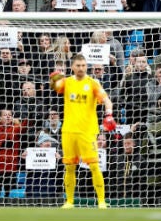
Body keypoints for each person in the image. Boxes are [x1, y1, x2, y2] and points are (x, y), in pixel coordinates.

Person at [49, 53, 115, 209]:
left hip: (87, 132)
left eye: (84, 65)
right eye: (78, 66)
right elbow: (55, 87)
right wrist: (53, 79)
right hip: (69, 132)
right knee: (69, 167)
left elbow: (106, 100)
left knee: (94, 166)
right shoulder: (67, 82)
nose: (81, 68)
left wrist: (109, 115)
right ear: (72, 67)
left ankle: (101, 201)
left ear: (87, 66)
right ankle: (69, 201)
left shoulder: (93, 83)